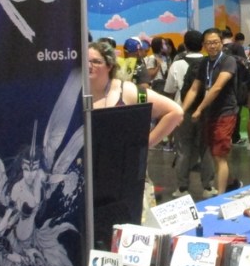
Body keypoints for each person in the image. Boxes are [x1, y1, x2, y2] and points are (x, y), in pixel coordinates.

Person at [89, 41, 183, 147]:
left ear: (109, 65)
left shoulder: (127, 90)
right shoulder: (76, 91)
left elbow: (176, 112)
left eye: (96, 62)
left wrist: (145, 145)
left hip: (121, 155)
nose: (89, 66)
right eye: (85, 62)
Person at [182, 28, 239, 195]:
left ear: (221, 43)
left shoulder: (228, 60)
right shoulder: (204, 63)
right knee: (216, 154)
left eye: (215, 42)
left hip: (225, 112)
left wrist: (199, 109)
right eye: (208, 43)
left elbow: (217, 88)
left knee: (219, 155)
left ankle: (220, 196)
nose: (212, 46)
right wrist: (181, 111)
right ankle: (232, 182)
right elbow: (194, 88)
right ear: (203, 45)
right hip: (210, 114)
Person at [165, 30, 216, 197]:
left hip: (183, 110)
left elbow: (169, 89)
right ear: (202, 44)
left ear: (185, 45)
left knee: (183, 149)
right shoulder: (209, 63)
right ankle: (208, 187)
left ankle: (182, 188)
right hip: (206, 110)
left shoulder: (177, 64)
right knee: (205, 149)